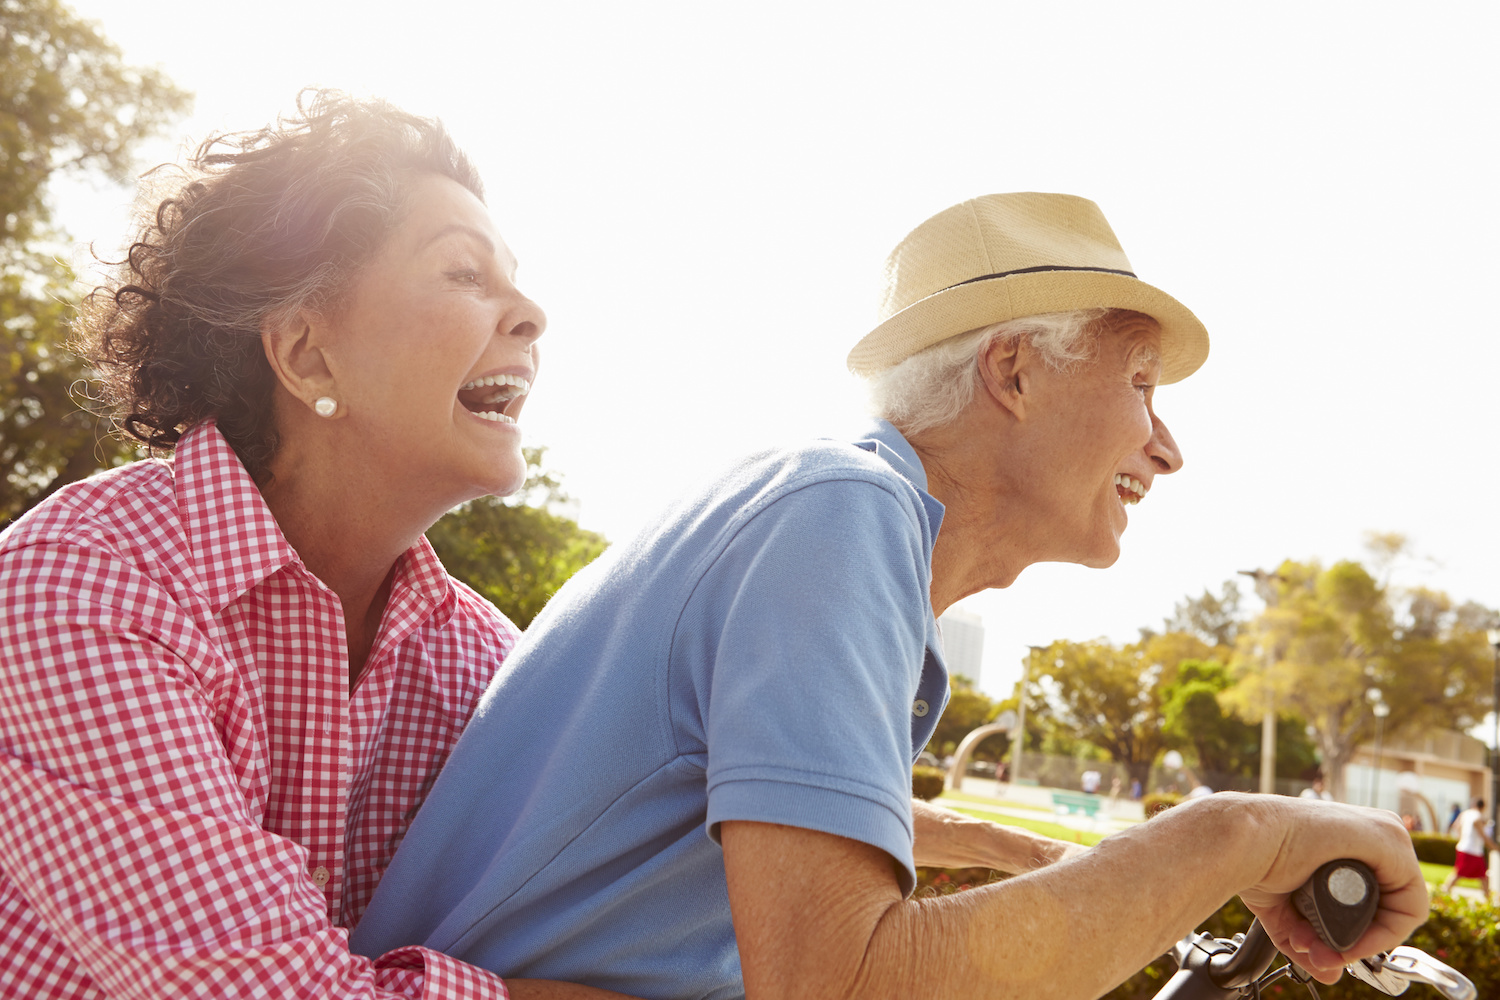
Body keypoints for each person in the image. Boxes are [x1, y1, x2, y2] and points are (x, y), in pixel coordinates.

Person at [353, 193, 1428, 999]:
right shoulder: (843, 512)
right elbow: (847, 982)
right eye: (1140, 382)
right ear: (1014, 373)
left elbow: (757, 804)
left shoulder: (828, 504)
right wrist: (1234, 833)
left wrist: (1010, 846)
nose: (1169, 445)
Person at [0, 92, 635, 1000]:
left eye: (514, 278)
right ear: (306, 356)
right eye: (464, 273)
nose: (531, 312)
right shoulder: (82, 584)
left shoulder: (485, 660)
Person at [1441, 797, 1498, 903]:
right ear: (1483, 807)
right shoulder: (1478, 817)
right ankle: (1444, 891)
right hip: (1472, 850)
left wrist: (1461, 837)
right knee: (1460, 873)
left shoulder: (1465, 813)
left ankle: (1488, 899)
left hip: (1465, 847)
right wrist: (1493, 846)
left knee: (1482, 875)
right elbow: (1483, 835)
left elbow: (1456, 826)